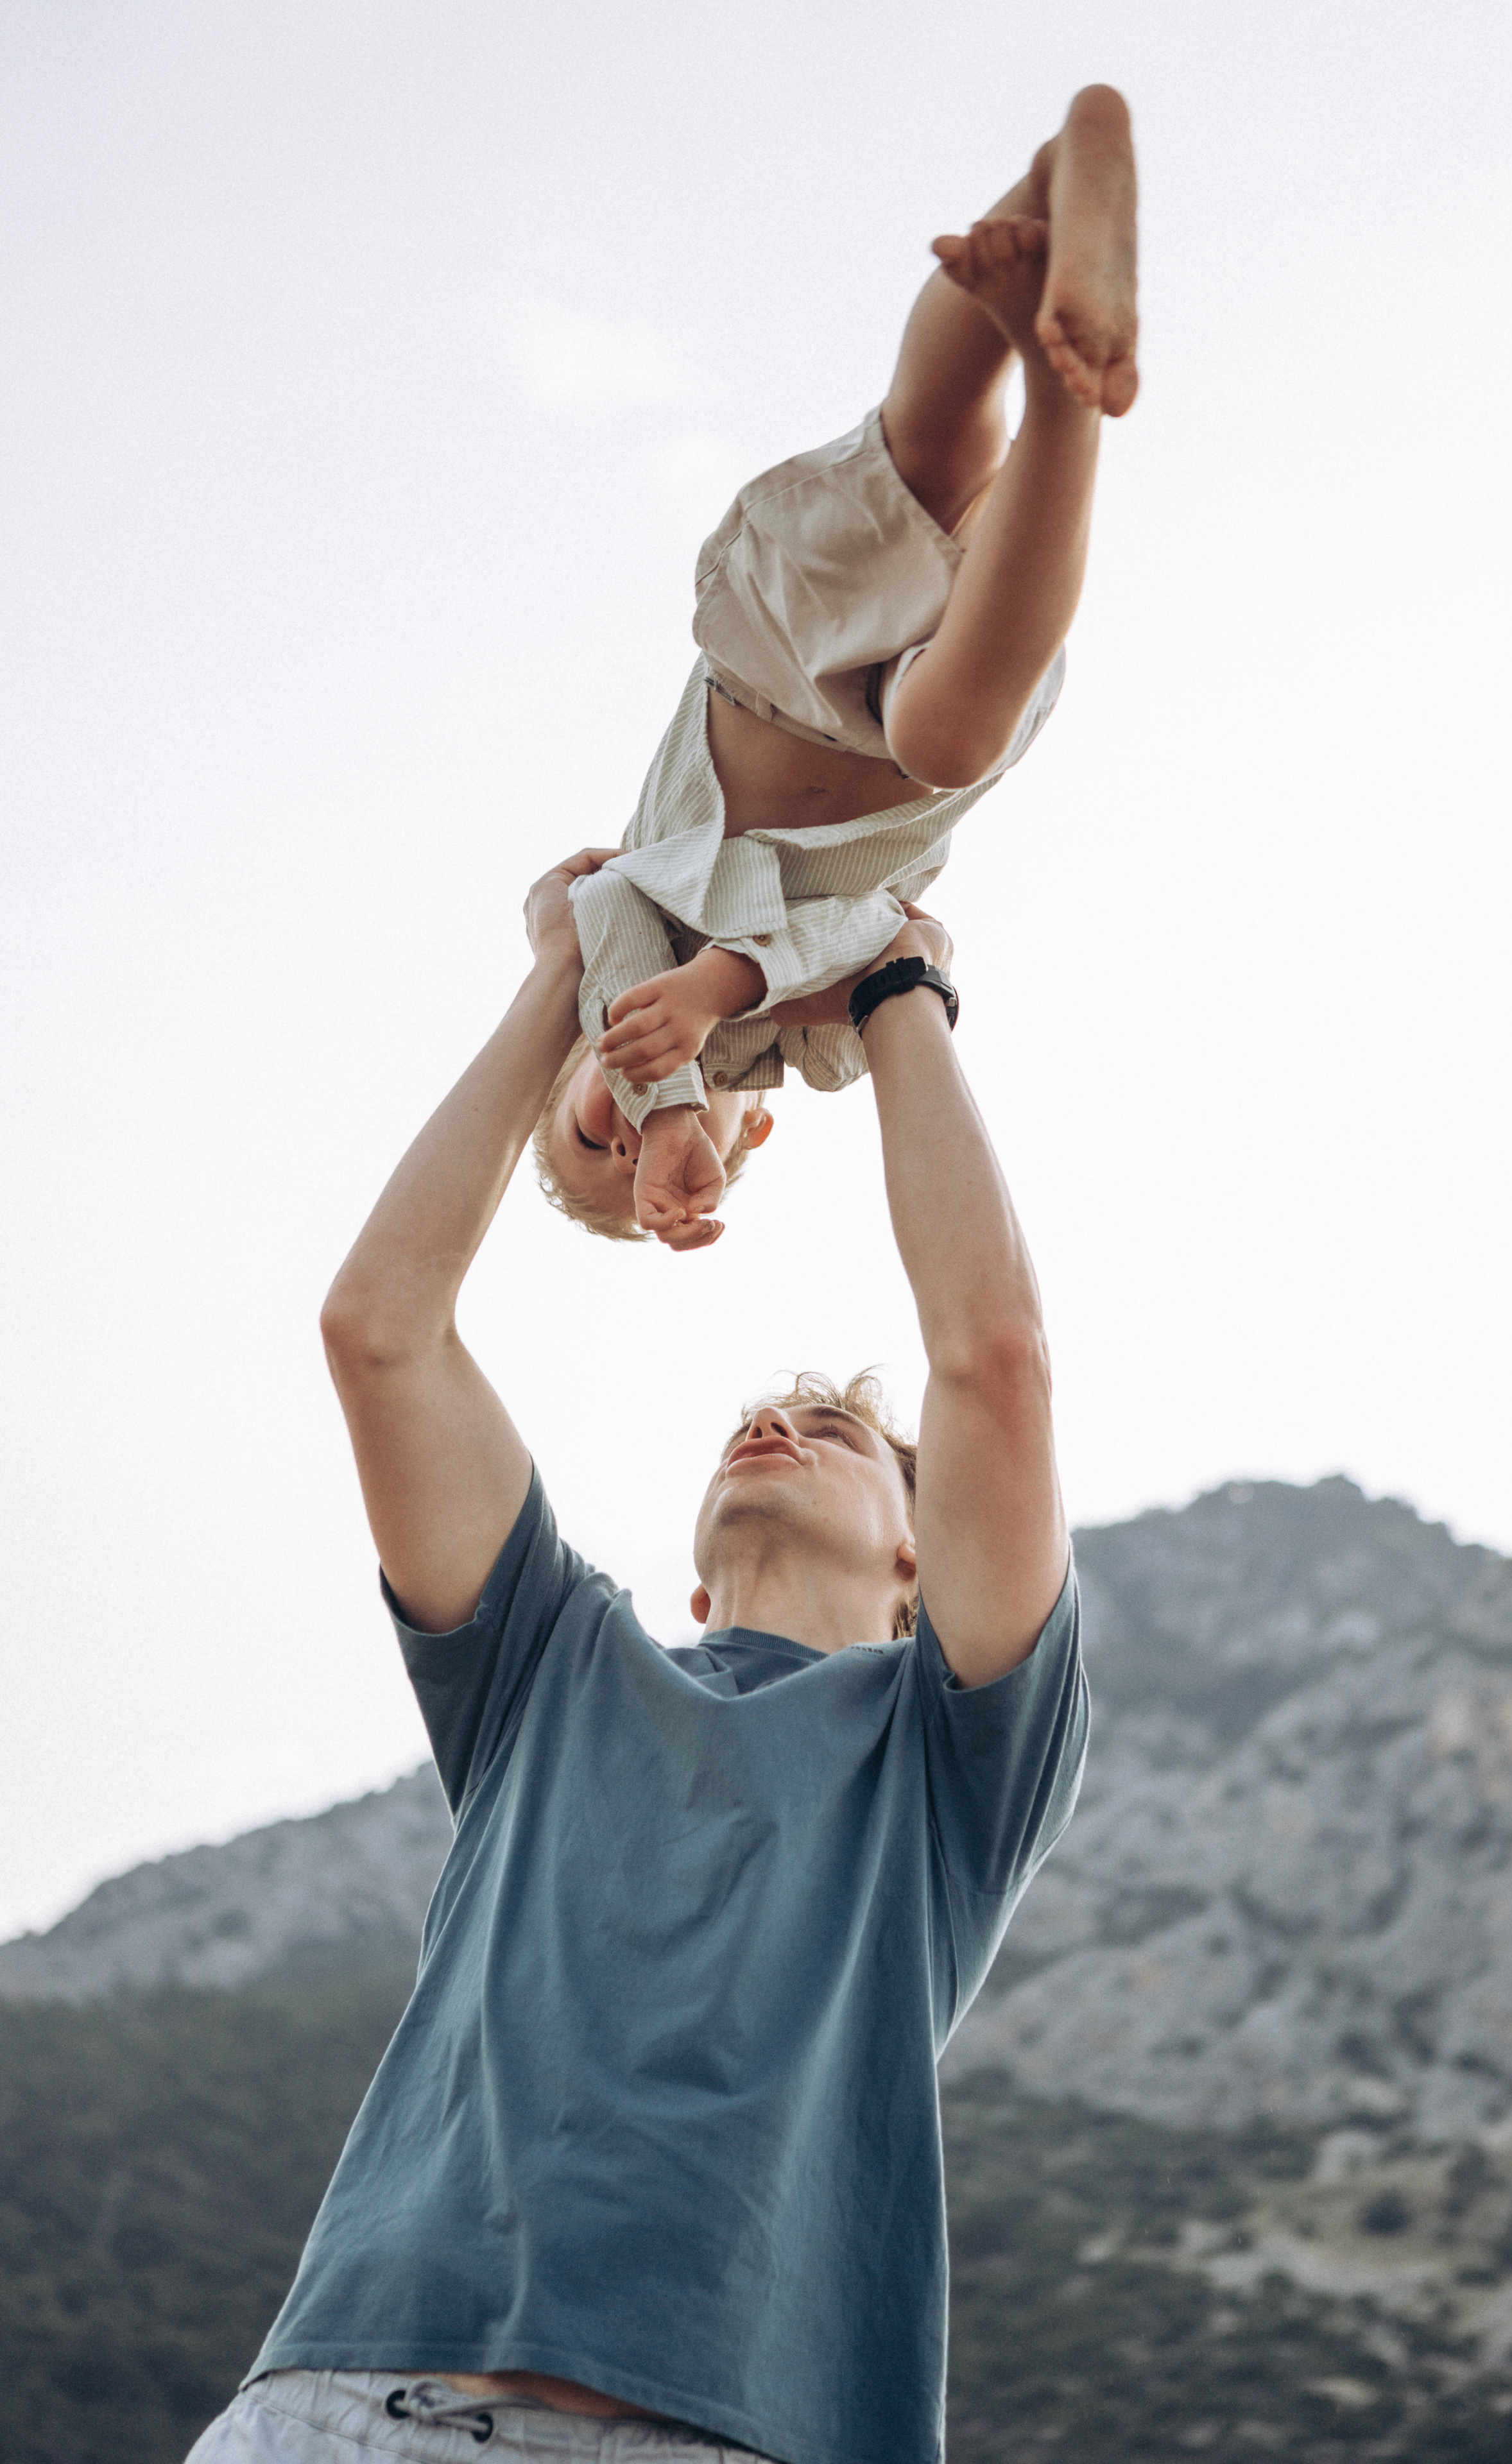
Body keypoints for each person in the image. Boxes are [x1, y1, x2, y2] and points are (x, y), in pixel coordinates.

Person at [183, 841, 1088, 2464]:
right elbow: (379, 1326)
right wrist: (570, 968)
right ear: (680, 1581)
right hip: (344, 2408)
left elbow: (995, 1360)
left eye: (833, 1428)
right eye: (760, 1411)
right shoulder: (550, 1660)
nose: (775, 1419)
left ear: (918, 1550)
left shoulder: (951, 1754)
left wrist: (889, 982)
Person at [537, 83, 1138, 1249]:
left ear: (576, 1060)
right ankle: (1070, 394)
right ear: (751, 1134)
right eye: (656, 1162)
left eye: (591, 1134)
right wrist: (728, 994)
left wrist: (665, 1080)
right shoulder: (820, 1045)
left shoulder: (619, 947)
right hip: (929, 724)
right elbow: (873, 928)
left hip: (767, 669)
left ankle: (1053, 189)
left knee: (931, 441)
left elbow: (600, 900)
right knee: (950, 732)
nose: (637, 1142)